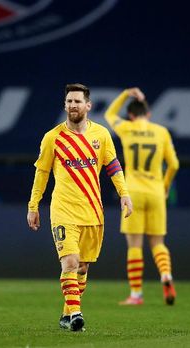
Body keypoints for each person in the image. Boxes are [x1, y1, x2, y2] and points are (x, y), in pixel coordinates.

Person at [27, 83, 133, 332]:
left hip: (93, 211)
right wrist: (34, 205)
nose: (72, 105)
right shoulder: (52, 138)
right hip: (63, 210)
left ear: (88, 105)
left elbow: (113, 166)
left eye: (77, 101)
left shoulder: (101, 135)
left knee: (83, 267)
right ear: (64, 105)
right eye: (69, 101)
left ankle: (66, 314)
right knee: (71, 262)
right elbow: (41, 174)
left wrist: (124, 194)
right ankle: (76, 314)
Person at [104, 87, 179, 306]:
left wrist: (126, 93)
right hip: (156, 192)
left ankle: (136, 294)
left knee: (134, 246)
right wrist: (165, 187)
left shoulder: (126, 128)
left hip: (133, 192)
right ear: (148, 114)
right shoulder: (161, 132)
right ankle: (165, 275)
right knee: (158, 243)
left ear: (130, 115)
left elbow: (109, 114)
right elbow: (174, 164)